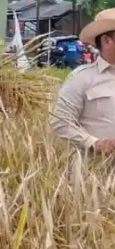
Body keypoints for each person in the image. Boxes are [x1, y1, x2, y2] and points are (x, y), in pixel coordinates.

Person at [50, 8, 115, 154]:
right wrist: (95, 143)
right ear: (106, 40)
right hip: (97, 171)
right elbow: (60, 122)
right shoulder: (82, 78)